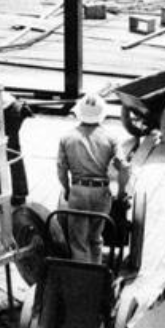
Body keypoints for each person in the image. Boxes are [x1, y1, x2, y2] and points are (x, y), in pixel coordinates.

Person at [55, 91, 132, 264]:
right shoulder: (111, 138)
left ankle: (83, 281)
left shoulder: (67, 138)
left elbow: (61, 168)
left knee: (79, 242)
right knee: (95, 239)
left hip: (78, 192)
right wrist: (120, 193)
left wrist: (67, 189)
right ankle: (96, 278)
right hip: (101, 194)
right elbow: (124, 167)